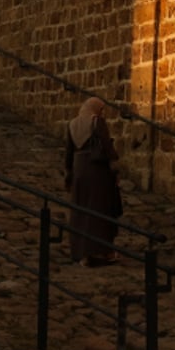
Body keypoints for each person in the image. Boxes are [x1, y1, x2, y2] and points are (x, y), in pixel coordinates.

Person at [64, 97, 122, 267]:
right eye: (101, 109)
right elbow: (106, 146)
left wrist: (69, 174)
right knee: (99, 210)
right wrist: (115, 168)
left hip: (79, 170)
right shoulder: (97, 122)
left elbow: (69, 151)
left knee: (80, 211)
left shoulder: (72, 124)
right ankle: (101, 251)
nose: (102, 112)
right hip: (97, 171)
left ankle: (81, 251)